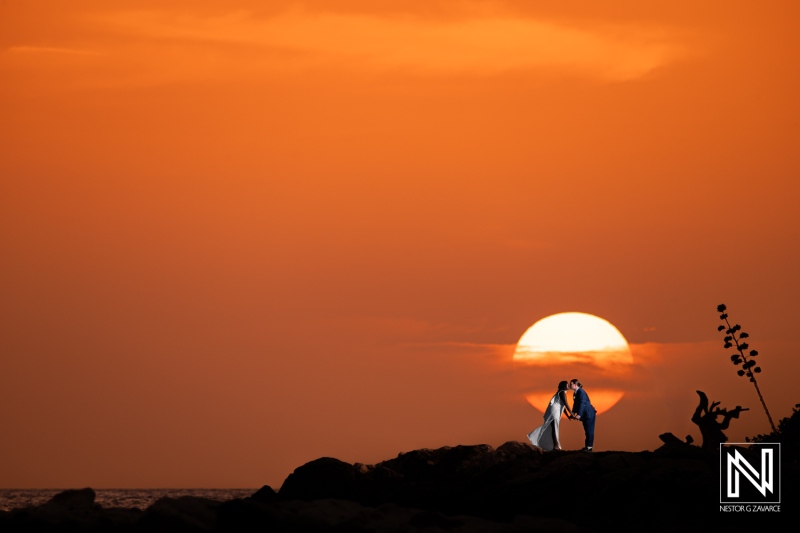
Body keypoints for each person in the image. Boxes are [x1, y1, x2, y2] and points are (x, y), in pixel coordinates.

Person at [527, 381, 574, 451]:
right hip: (554, 412)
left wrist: (568, 416)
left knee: (553, 428)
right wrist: (572, 413)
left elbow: (563, 407)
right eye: (567, 385)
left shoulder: (561, 393)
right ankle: (556, 445)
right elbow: (565, 404)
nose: (568, 386)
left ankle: (555, 445)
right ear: (564, 386)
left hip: (554, 411)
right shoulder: (562, 392)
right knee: (555, 428)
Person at [569, 379, 597, 452]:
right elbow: (575, 404)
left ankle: (589, 447)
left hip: (588, 414)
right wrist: (572, 413)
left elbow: (582, 403)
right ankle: (587, 446)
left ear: (575, 384)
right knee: (587, 430)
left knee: (589, 430)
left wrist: (579, 415)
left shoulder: (581, 392)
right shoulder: (576, 393)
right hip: (585, 415)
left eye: (571, 384)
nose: (570, 385)